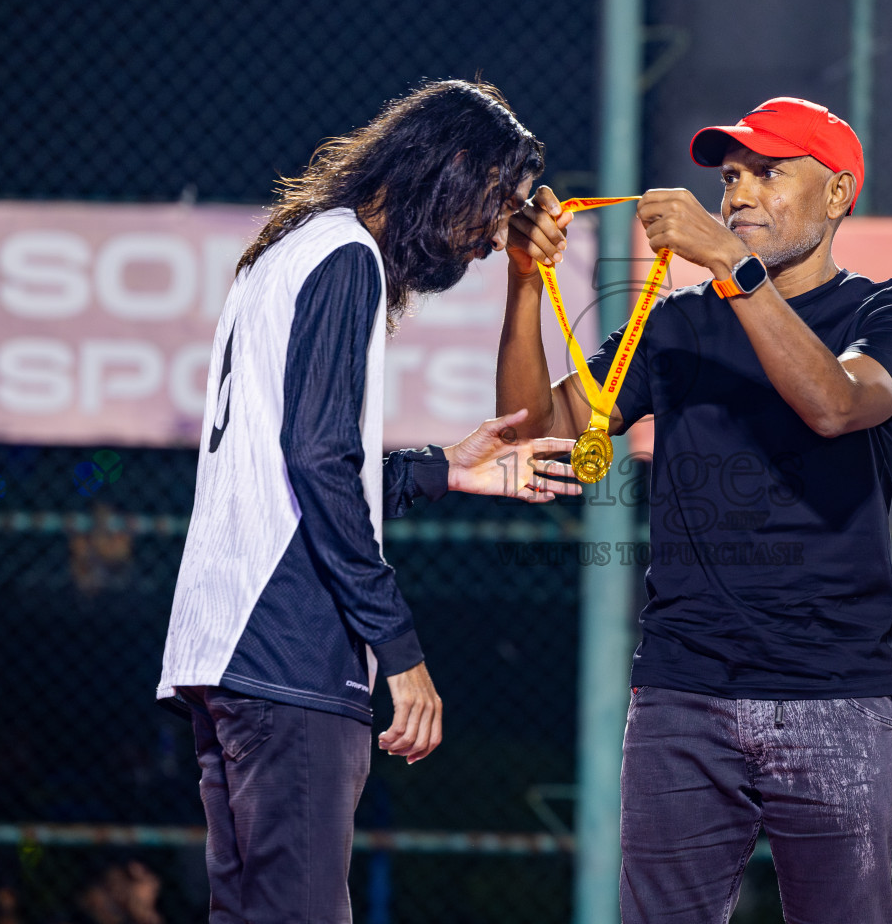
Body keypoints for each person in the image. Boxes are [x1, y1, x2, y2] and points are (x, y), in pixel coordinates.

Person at [500, 97, 892, 921]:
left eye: (770, 173)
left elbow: (837, 403)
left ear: (838, 194)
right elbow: (529, 430)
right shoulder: (675, 324)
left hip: (833, 694)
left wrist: (731, 269)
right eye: (733, 175)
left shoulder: (886, 312)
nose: (739, 193)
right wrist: (526, 284)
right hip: (681, 692)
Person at [156, 80, 578, 923]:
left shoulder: (287, 250)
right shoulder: (345, 255)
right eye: (492, 206)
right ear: (451, 165)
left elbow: (292, 461)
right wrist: (402, 653)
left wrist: (443, 469)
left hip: (225, 650)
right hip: (288, 655)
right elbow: (318, 463)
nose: (492, 241)